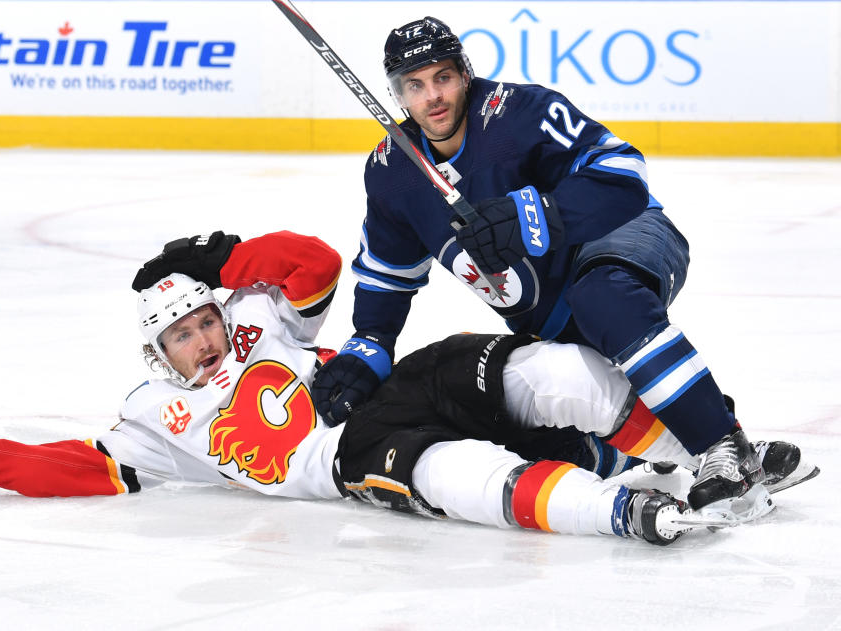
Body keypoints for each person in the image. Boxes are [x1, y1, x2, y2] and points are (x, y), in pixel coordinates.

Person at [0, 230, 760, 545]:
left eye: (204, 318)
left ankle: (709, 449)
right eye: (182, 335)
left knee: (546, 371)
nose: (202, 338)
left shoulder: (266, 321)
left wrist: (220, 260)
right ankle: (622, 512)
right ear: (161, 353)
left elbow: (311, 263)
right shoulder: (156, 416)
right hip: (350, 453)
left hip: (384, 378)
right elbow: (85, 466)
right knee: (460, 476)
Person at [309, 16, 804, 520]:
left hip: (628, 235)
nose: (432, 97)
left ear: (465, 73)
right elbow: (388, 274)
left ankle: (720, 445)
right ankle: (723, 438)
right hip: (548, 315)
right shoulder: (394, 172)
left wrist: (533, 216)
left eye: (443, 77)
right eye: (414, 85)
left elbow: (623, 174)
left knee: (603, 297)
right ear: (398, 95)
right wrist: (368, 345)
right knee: (564, 419)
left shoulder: (517, 113)